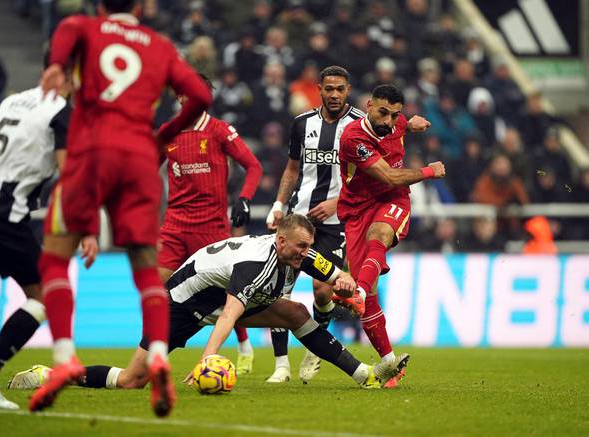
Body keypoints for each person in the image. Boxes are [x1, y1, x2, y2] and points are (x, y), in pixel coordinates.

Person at [30, 0, 212, 416]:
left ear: (99, 4)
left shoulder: (82, 26)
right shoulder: (160, 45)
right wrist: (166, 131)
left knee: (54, 260)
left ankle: (63, 359)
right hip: (138, 159)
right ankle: (160, 356)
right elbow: (200, 93)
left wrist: (57, 65)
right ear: (141, 7)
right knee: (147, 268)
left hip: (90, 152)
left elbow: (63, 35)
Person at [11, 215, 406, 392]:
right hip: (180, 304)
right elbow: (230, 315)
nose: (306, 253)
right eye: (300, 246)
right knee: (135, 380)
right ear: (280, 241)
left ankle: (363, 374)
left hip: (215, 297)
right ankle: (54, 375)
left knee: (296, 312)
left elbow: (335, 275)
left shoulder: (301, 254)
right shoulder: (255, 266)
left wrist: (348, 288)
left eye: (309, 247)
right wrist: (209, 357)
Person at [0, 79, 97, 410]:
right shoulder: (62, 114)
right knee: (43, 296)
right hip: (5, 213)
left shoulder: (12, 100)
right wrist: (86, 229)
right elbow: (70, 177)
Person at [334, 84, 445, 387]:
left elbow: (399, 133)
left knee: (380, 234)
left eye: (394, 115)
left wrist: (411, 125)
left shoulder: (395, 123)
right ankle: (389, 364)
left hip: (393, 201)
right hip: (356, 211)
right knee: (370, 298)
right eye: (382, 112)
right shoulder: (353, 138)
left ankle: (355, 293)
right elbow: (390, 175)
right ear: (368, 106)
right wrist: (430, 171)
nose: (388, 121)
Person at [157, 75, 263, 374]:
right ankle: (157, 351)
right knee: (159, 291)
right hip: (175, 225)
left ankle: (244, 345)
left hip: (212, 228)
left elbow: (253, 166)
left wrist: (244, 198)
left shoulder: (219, 131)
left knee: (229, 292)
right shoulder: (167, 133)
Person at [266, 65, 364, 383]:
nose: (334, 95)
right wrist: (279, 204)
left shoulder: (361, 126)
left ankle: (315, 348)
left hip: (336, 222)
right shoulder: (301, 123)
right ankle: (281, 365)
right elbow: (292, 170)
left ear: (348, 90)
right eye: (329, 89)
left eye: (340, 89)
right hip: (299, 219)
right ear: (319, 89)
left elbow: (369, 177)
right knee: (279, 290)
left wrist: (339, 201)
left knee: (323, 290)